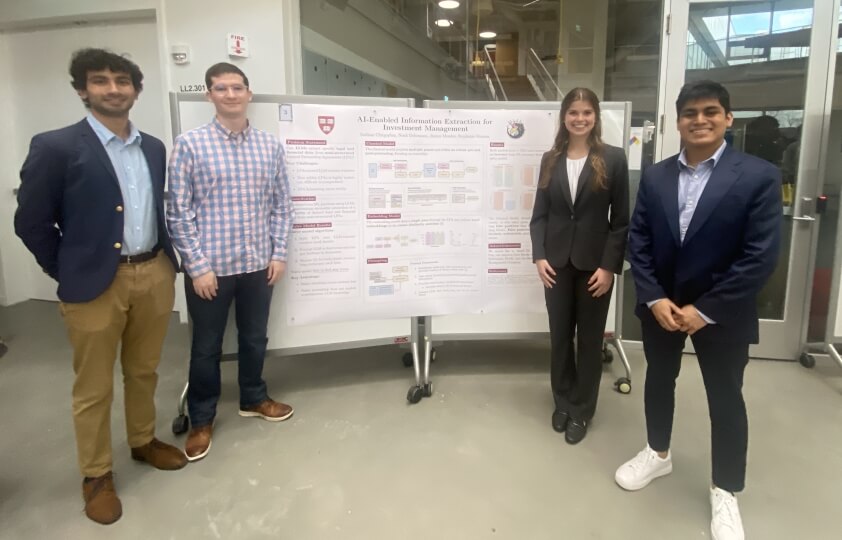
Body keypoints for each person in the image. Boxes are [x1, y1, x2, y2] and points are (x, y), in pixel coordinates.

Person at [15, 48, 187, 526]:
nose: (113, 88)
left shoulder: (153, 146)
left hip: (153, 272)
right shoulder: (55, 146)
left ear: (136, 89)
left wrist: (168, 266)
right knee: (92, 387)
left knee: (144, 370)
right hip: (93, 284)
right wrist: (68, 269)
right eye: (100, 80)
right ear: (82, 90)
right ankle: (96, 475)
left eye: (122, 80)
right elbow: (30, 221)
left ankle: (142, 440)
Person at [615, 80, 781, 540]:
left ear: (728, 118)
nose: (700, 120)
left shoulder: (757, 176)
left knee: (725, 397)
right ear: (678, 121)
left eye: (711, 111)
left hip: (722, 311)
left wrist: (704, 310)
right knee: (658, 381)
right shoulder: (655, 176)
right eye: (690, 113)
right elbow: (639, 242)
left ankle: (725, 489)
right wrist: (654, 296)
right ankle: (657, 453)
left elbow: (760, 255)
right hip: (662, 306)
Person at [167, 63, 295, 462]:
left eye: (237, 87)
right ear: (209, 95)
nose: (230, 94)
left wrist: (278, 253)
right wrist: (196, 266)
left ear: (249, 93)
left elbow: (281, 205)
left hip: (258, 264)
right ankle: (202, 418)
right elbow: (177, 211)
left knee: (255, 338)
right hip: (211, 270)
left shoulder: (270, 146)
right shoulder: (190, 145)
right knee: (205, 348)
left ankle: (253, 398)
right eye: (220, 88)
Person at [529, 87, 630, 444]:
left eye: (587, 112)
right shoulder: (550, 159)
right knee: (559, 339)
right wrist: (539, 255)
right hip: (555, 264)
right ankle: (562, 400)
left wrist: (609, 267)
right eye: (573, 112)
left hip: (595, 267)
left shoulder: (614, 159)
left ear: (596, 117)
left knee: (589, 341)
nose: (580, 118)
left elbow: (621, 222)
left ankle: (582, 409)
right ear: (564, 116)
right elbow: (539, 216)